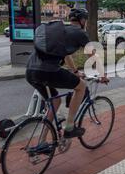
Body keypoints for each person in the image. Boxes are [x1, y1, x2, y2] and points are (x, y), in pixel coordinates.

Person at [26, 8, 108, 139]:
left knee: (55, 101)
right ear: (82, 20)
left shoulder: (59, 32)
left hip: (30, 71)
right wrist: (103, 75)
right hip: (48, 71)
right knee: (81, 87)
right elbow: (92, 56)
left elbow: (66, 55)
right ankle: (70, 127)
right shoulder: (79, 33)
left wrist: (75, 71)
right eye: (85, 20)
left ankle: (41, 142)